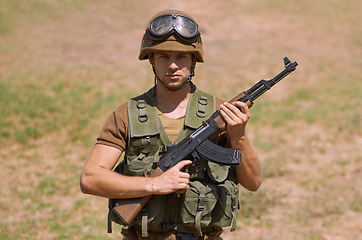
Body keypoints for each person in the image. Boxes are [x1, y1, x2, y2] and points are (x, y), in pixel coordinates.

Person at [80, 9, 262, 240]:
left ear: (194, 60)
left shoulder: (220, 113)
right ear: (151, 60)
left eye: (182, 57)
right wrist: (154, 185)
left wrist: (239, 137)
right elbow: (90, 179)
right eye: (164, 56)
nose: (173, 65)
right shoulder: (127, 115)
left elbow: (253, 182)